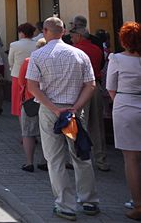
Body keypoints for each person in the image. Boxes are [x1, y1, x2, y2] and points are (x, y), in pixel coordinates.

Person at [26, 16, 100, 219]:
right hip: (74, 112)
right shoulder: (80, 54)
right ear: (64, 31)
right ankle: (89, 201)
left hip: (52, 112)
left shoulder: (38, 55)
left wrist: (53, 107)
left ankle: (65, 205)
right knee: (80, 155)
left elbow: (32, 86)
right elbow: (90, 84)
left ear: (46, 31)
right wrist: (76, 107)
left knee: (55, 158)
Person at [106, 22, 141, 220]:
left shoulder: (117, 59)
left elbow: (111, 88)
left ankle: (138, 205)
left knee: (132, 159)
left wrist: (120, 102)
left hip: (126, 104)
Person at [69, 15, 110, 172]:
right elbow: (99, 67)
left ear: (78, 36)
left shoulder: (76, 51)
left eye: (72, 37)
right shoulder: (97, 49)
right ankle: (101, 160)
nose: (71, 39)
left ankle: (81, 159)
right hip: (96, 87)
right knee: (97, 125)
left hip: (80, 89)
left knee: (80, 124)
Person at [18, 38, 48, 173]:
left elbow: (21, 81)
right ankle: (45, 161)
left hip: (30, 101)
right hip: (49, 101)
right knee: (46, 134)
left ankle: (29, 162)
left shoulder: (28, 61)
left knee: (28, 133)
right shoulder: (52, 61)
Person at [8, 22, 38, 119]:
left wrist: (13, 69)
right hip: (34, 75)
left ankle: (23, 127)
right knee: (33, 99)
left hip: (17, 75)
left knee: (19, 101)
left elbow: (10, 61)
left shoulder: (14, 45)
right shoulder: (37, 45)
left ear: (22, 33)